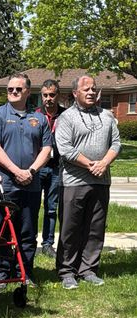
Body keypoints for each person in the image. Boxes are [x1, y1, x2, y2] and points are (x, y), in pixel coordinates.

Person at [0, 72, 52, 286]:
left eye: (18, 89)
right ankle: (1, 274)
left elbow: (47, 149)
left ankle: (25, 271)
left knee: (28, 231)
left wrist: (30, 172)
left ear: (27, 92)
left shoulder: (39, 118)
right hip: (5, 184)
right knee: (2, 231)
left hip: (31, 185)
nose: (13, 92)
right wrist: (16, 171)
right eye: (10, 89)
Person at [55, 75, 121, 289]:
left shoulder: (107, 116)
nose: (91, 92)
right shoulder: (66, 117)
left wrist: (104, 164)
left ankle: (89, 269)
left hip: (101, 181)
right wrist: (92, 165)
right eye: (86, 89)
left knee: (95, 227)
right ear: (75, 93)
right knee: (70, 228)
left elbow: (116, 143)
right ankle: (67, 271)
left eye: (94, 88)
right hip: (74, 181)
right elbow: (65, 149)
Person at [36, 79, 65, 259]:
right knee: (31, 207)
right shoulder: (35, 115)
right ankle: (30, 240)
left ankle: (47, 244)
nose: (48, 99)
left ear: (58, 95)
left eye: (52, 95)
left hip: (56, 169)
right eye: (45, 95)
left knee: (51, 208)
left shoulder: (66, 115)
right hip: (38, 167)